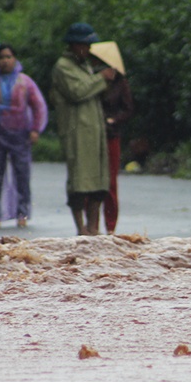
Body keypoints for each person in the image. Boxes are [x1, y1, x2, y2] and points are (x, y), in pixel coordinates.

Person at [0, 45, 47, 229]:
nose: (5, 61)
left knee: (22, 175)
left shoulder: (25, 82)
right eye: (1, 57)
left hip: (20, 135)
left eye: (8, 56)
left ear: (14, 59)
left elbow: (38, 105)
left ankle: (22, 213)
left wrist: (35, 128)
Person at [51, 22, 114, 236]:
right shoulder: (63, 67)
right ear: (75, 45)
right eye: (85, 45)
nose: (88, 49)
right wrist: (101, 78)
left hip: (94, 131)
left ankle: (93, 228)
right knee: (79, 182)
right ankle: (81, 229)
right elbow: (77, 91)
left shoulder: (84, 65)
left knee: (98, 183)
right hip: (76, 132)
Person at [90, 40, 135, 234]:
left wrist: (113, 120)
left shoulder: (120, 82)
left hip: (111, 134)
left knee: (110, 183)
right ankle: (91, 226)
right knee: (90, 181)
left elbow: (128, 109)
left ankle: (110, 227)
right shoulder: (90, 78)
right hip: (91, 134)